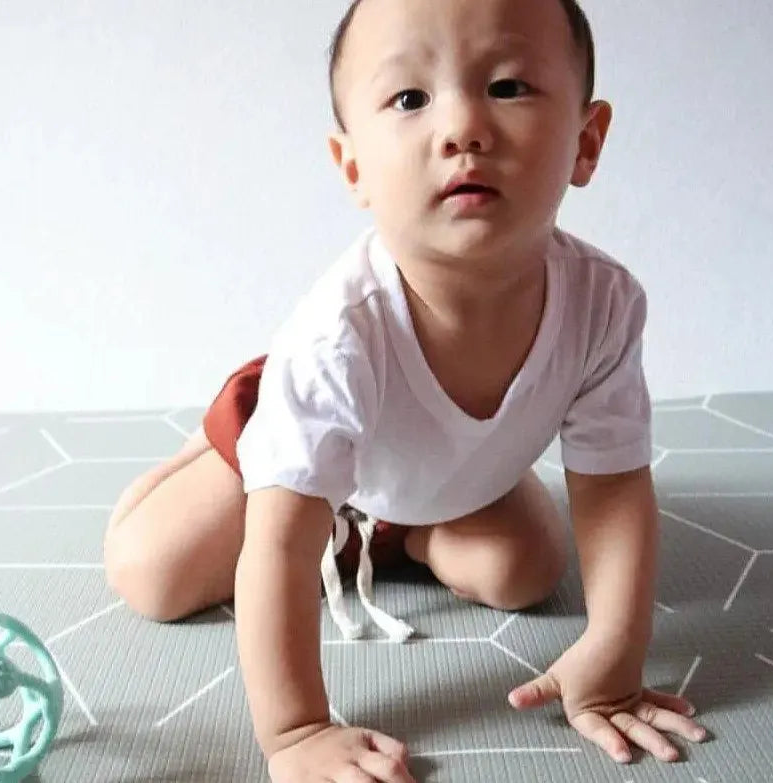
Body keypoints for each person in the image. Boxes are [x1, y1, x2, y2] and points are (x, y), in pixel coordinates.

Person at [103, 0, 710, 780]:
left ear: (586, 143)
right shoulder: (336, 337)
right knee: (150, 571)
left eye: (509, 86)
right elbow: (281, 544)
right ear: (353, 166)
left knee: (528, 567)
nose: (462, 127)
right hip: (292, 440)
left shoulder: (603, 303)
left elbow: (615, 489)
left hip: (421, 476)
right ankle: (211, 442)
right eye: (411, 99)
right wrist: (296, 731)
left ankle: (390, 529)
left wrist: (614, 651)